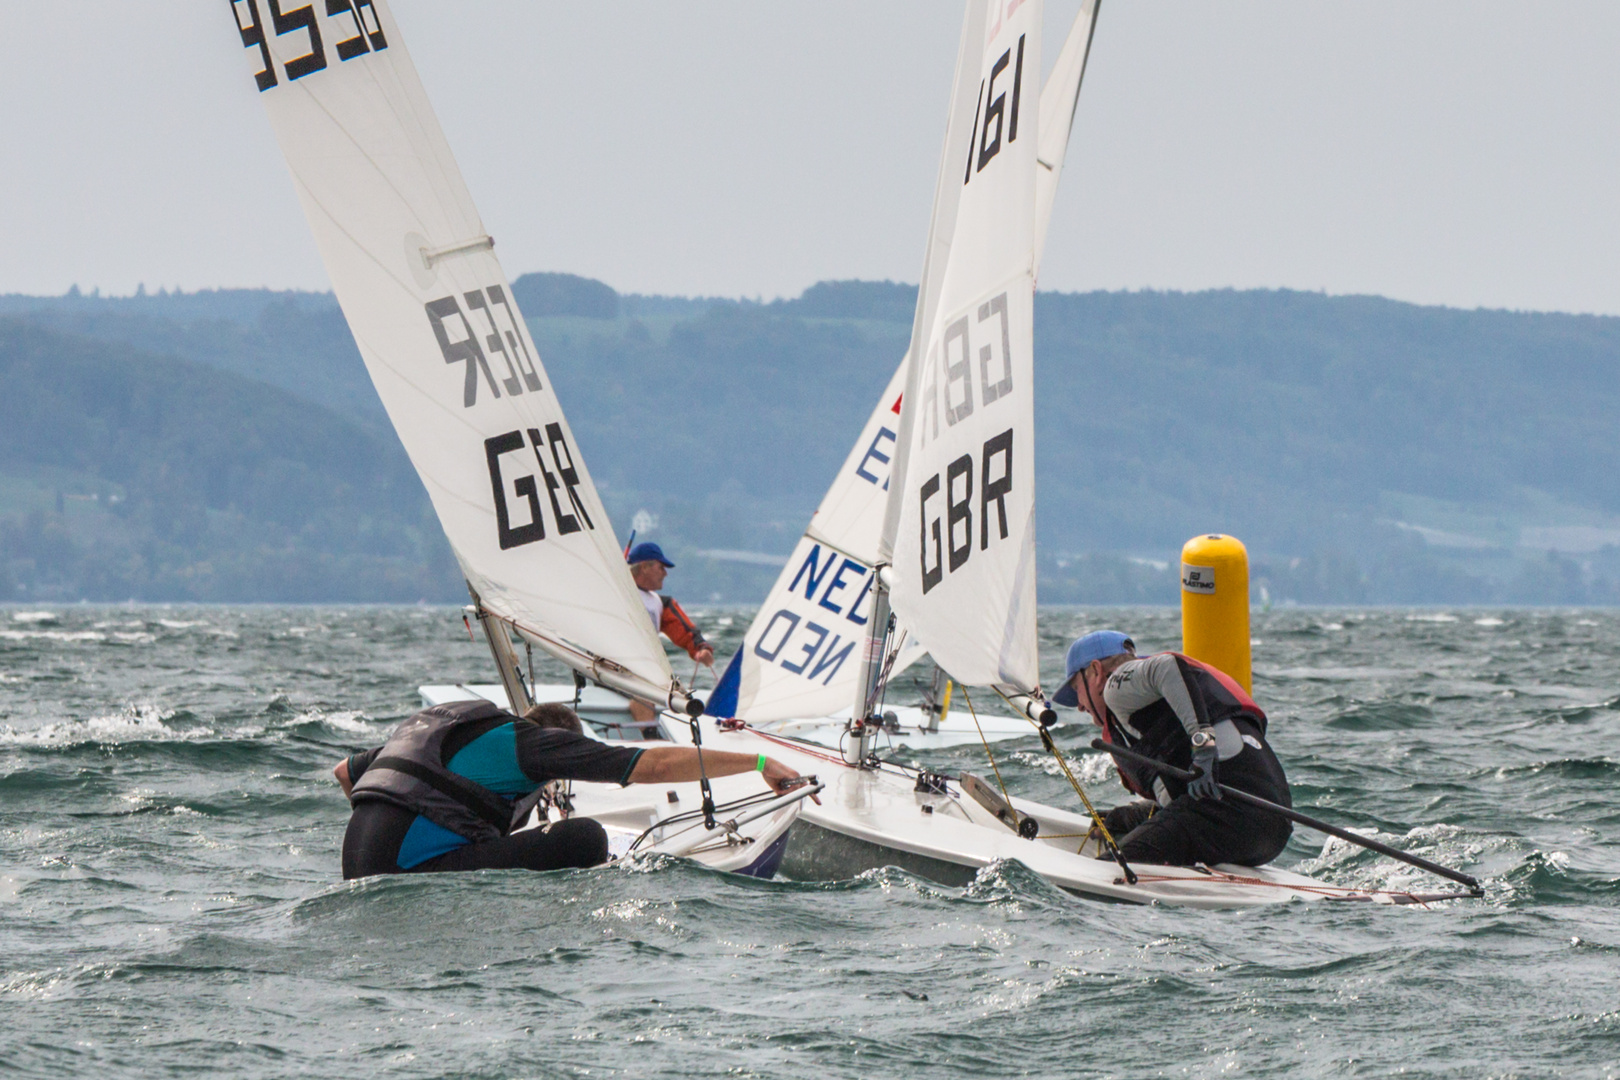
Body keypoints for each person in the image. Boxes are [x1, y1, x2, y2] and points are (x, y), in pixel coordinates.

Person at [333, 698, 807, 879]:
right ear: (559, 744)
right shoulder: (533, 747)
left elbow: (344, 773)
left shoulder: (446, 731)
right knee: (586, 837)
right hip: (403, 872)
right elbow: (654, 763)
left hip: (354, 866)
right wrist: (757, 761)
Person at [1054, 630, 1292, 868]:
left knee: (1108, 869)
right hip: (1271, 834)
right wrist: (1131, 817)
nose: (1078, 707)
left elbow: (1167, 666)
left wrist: (1203, 745)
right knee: (1123, 823)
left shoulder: (1116, 686)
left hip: (1232, 817)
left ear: (1096, 671)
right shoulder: (1150, 701)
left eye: (1076, 689)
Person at [624, 541, 712, 732]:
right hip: (615, 671)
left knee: (680, 692)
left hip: (645, 673)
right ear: (644, 567)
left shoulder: (659, 602)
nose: (665, 573)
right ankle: (651, 742)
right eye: (661, 567)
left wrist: (701, 649)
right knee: (644, 696)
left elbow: (684, 629)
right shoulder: (619, 592)